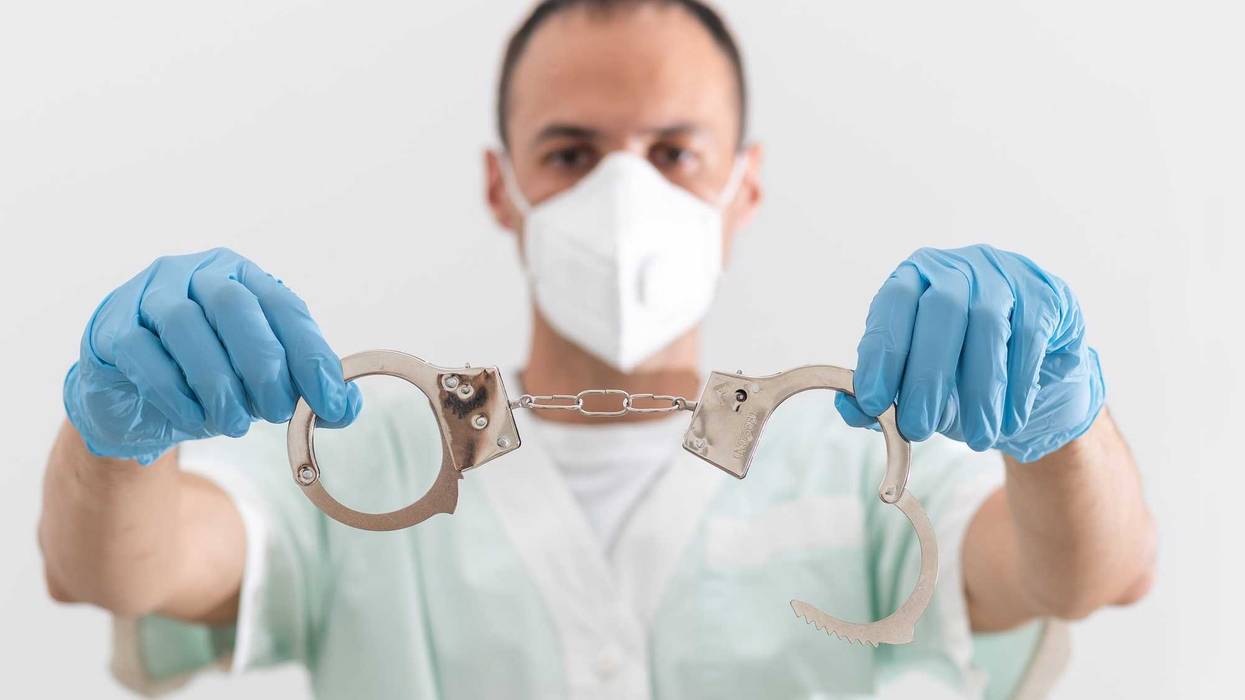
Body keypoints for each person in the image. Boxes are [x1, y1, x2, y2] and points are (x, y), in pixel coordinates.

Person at [38, 1, 1155, 698]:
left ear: (744, 185)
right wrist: (114, 435)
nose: (627, 190)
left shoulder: (854, 453)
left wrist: (1059, 423)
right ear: (503, 186)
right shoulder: (370, 451)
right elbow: (113, 569)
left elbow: (1086, 574)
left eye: (674, 152)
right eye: (571, 153)